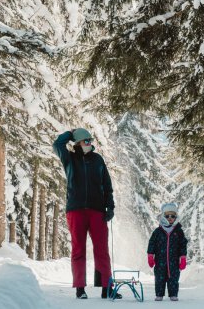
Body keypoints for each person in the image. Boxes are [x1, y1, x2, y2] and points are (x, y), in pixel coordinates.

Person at [53, 128, 122, 300]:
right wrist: (71, 133)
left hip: (97, 210)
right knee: (78, 249)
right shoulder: (69, 158)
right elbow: (57, 144)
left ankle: (106, 287)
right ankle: (80, 288)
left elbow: (107, 185)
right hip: (76, 210)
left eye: (90, 141)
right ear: (78, 143)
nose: (89, 144)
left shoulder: (98, 160)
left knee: (101, 249)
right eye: (86, 141)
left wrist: (110, 206)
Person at [147, 203, 188, 302]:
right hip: (160, 261)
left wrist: (183, 257)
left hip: (174, 261)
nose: (170, 218)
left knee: (173, 278)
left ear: (176, 217)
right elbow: (151, 243)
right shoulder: (158, 231)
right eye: (167, 216)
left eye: (172, 216)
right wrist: (150, 255)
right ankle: (159, 294)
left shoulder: (178, 231)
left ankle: (173, 294)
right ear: (163, 217)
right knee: (159, 278)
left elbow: (183, 244)